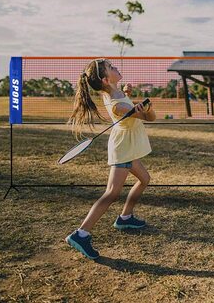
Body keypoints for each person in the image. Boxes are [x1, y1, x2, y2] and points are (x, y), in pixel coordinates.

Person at [65, 59, 156, 260]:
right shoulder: (117, 106)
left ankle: (125, 218)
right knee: (111, 193)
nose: (116, 68)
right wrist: (145, 109)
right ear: (106, 79)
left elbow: (119, 99)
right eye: (111, 68)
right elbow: (151, 118)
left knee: (144, 179)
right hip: (123, 150)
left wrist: (127, 94)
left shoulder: (113, 93)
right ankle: (81, 234)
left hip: (127, 148)